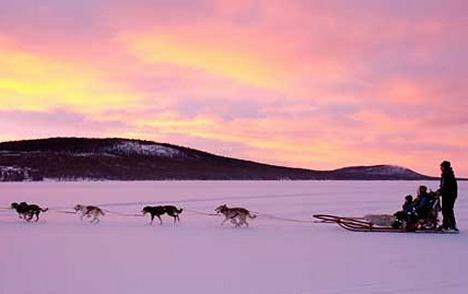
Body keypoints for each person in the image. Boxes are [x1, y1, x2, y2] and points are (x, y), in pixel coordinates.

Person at [437, 161, 458, 232]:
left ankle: (449, 226)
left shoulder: (448, 175)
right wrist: (439, 191)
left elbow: (447, 186)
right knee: (446, 210)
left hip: (449, 195)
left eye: (442, 167)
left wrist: (440, 191)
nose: (441, 168)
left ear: (445, 167)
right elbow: (443, 186)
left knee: (447, 210)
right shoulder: (445, 174)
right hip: (446, 195)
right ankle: (447, 224)